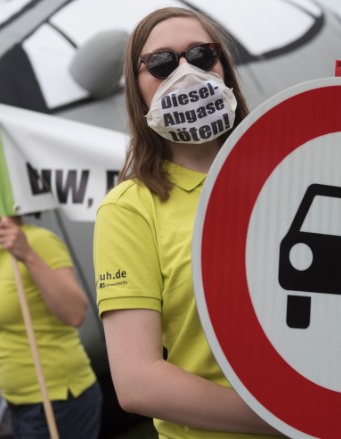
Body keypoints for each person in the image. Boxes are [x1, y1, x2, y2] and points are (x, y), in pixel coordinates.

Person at [93, 7, 281, 438]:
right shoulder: (128, 210)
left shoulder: (287, 172)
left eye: (201, 56)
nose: (184, 72)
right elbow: (138, 381)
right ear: (137, 89)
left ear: (224, 69)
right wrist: (289, 416)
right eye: (161, 63)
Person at [0, 171, 102, 439]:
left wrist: (28, 254)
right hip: (25, 407)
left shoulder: (36, 241)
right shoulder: (3, 254)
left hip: (58, 401)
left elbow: (75, 313)